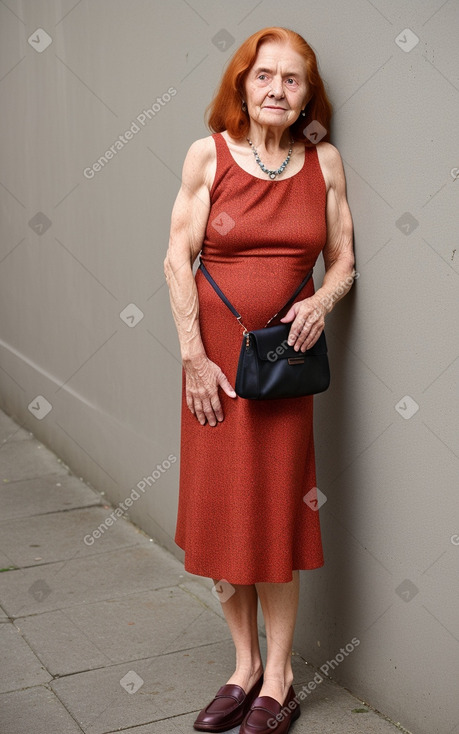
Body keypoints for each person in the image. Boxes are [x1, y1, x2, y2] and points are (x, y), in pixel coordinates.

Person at [164, 26, 355, 734]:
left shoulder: (322, 161)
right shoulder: (206, 156)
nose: (276, 89)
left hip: (281, 371)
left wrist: (320, 301)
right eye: (263, 75)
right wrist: (193, 358)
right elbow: (174, 259)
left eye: (292, 79)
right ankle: (241, 666)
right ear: (242, 85)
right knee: (222, 520)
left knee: (274, 518)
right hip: (211, 371)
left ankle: (279, 680)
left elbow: (343, 260)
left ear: (308, 92)